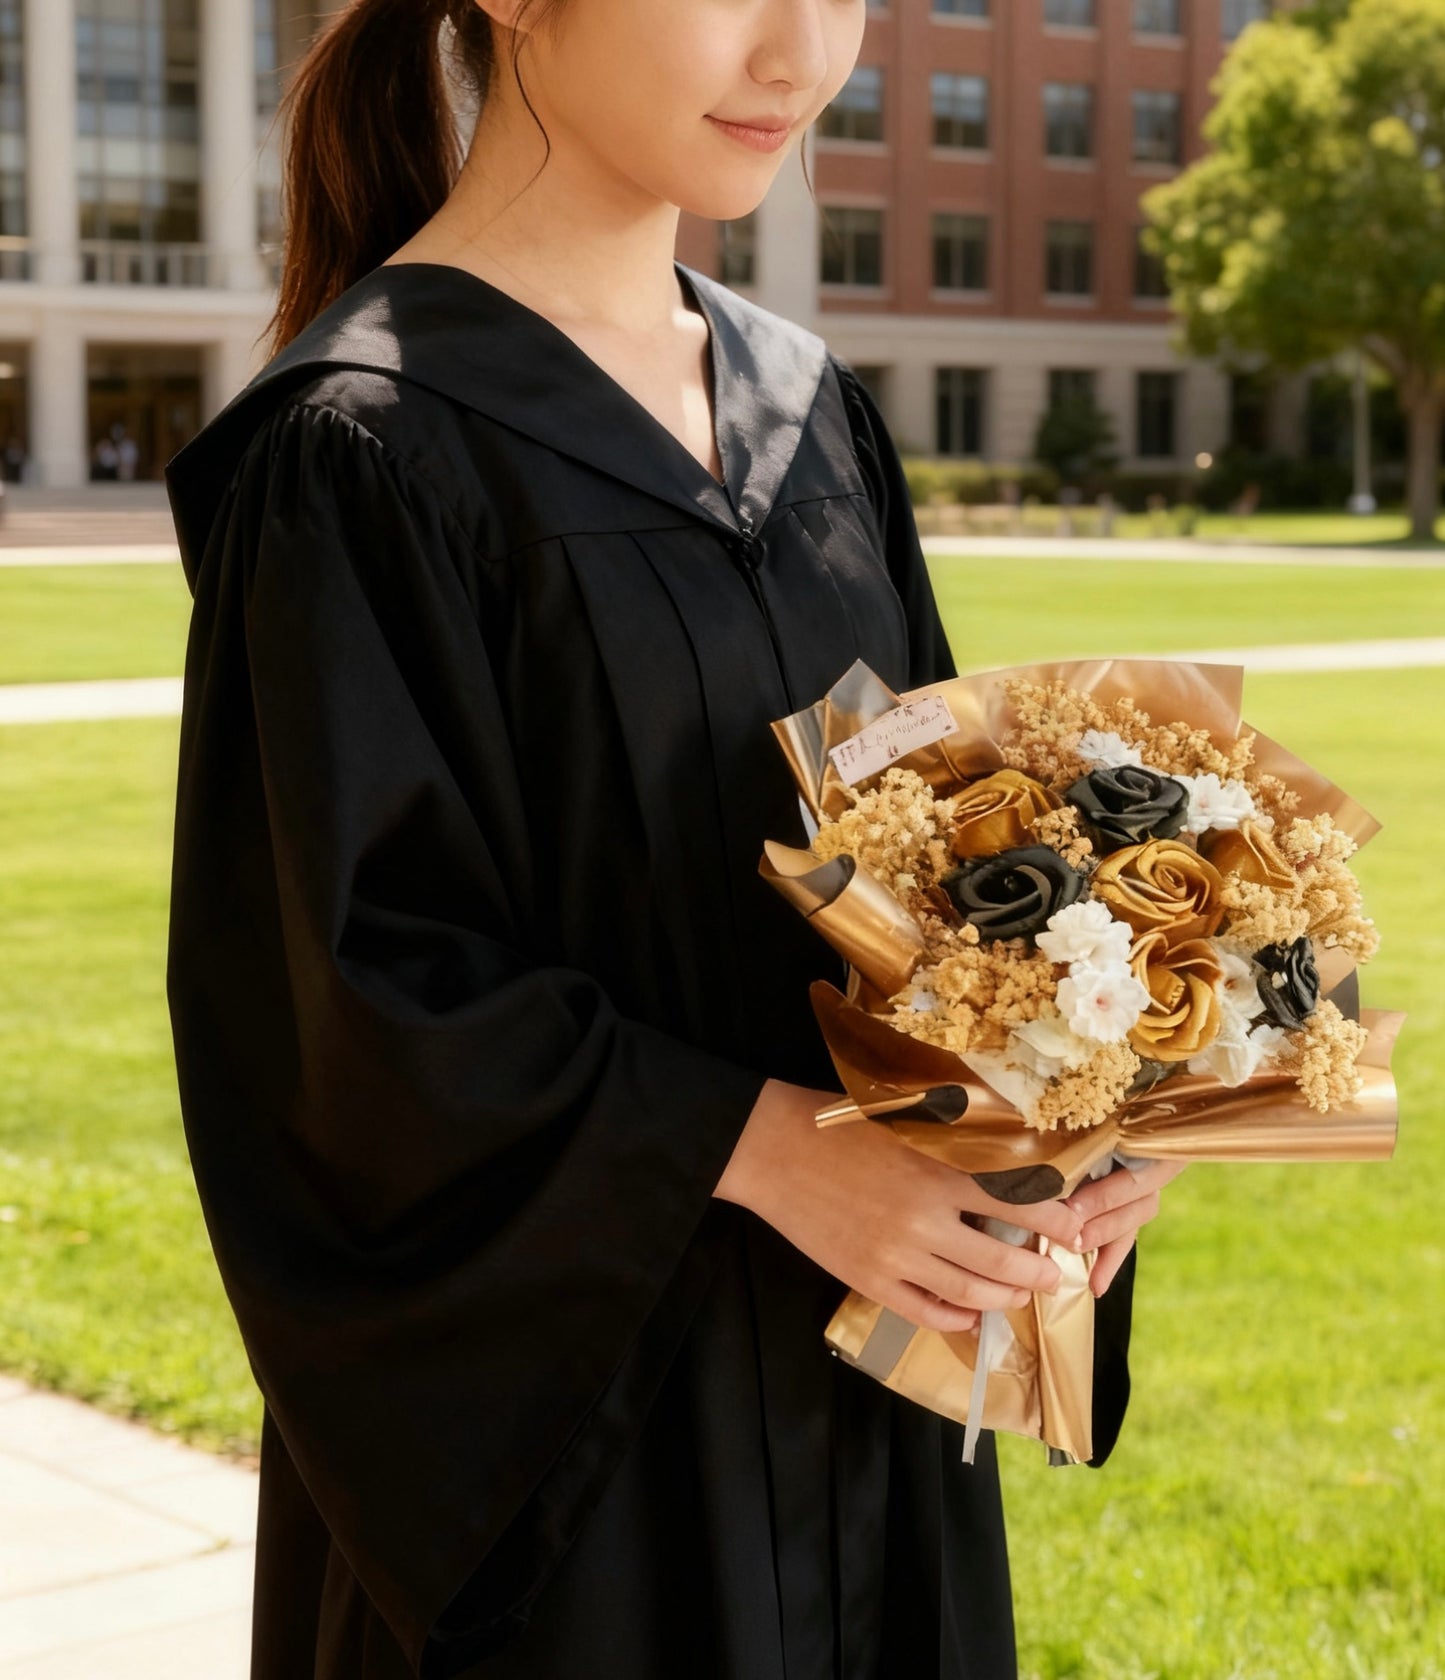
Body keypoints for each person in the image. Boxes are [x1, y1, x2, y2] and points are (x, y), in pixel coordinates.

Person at [163, 2, 1183, 1676]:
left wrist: (1071, 1107)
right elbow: (346, 1006)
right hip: (585, 1463)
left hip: (867, 1398)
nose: (801, 55)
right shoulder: (360, 448)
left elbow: (936, 855)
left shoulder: (811, 414)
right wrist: (771, 1151)